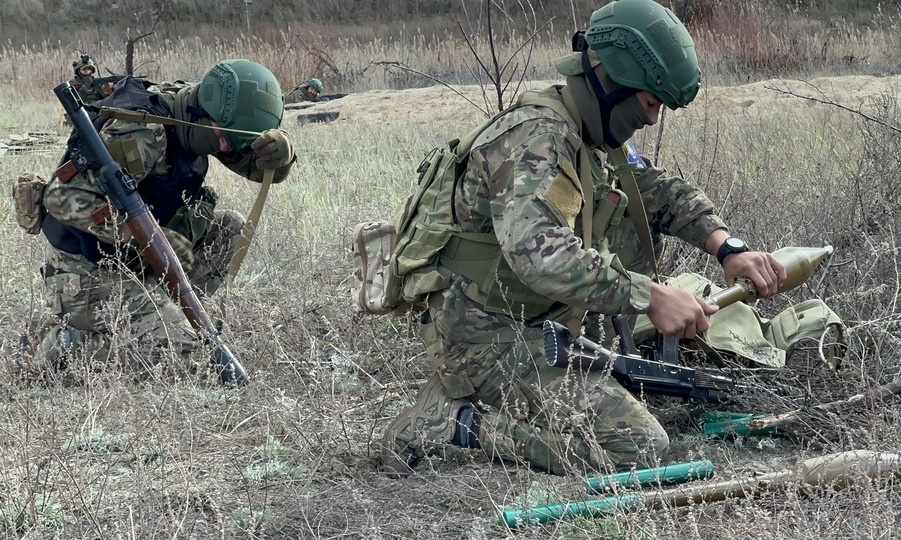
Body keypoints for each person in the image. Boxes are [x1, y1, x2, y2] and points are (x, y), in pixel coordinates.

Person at [378, 0, 787, 477]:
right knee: (638, 446)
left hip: (540, 325)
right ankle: (453, 424)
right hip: (484, 337)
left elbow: (654, 190)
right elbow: (541, 257)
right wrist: (648, 295)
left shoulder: (587, 135)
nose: (652, 119)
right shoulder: (536, 138)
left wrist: (727, 247)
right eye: (650, 103)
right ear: (611, 82)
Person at [34, 59, 297, 380]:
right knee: (185, 358)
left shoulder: (198, 113)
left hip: (139, 263)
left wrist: (280, 156)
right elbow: (59, 197)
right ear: (205, 115)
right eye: (222, 138)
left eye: (231, 140)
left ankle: (167, 317)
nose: (226, 148)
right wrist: (138, 236)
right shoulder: (144, 133)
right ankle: (70, 347)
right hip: (85, 273)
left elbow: (252, 163)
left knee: (231, 227)